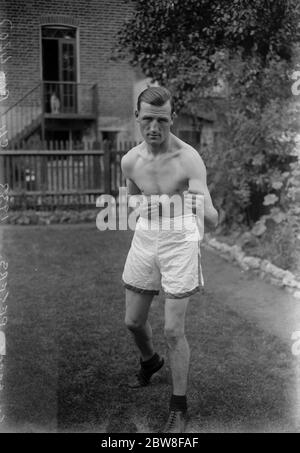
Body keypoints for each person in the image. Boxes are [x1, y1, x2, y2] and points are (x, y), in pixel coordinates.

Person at [121, 86, 218, 433]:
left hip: (179, 238)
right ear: (137, 117)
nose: (154, 128)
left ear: (171, 119)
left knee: (173, 329)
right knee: (133, 321)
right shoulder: (130, 160)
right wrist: (139, 207)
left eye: (161, 120)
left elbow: (213, 219)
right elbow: (130, 204)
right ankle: (150, 362)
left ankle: (179, 407)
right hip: (146, 236)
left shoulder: (188, 159)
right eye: (147, 119)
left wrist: (196, 206)